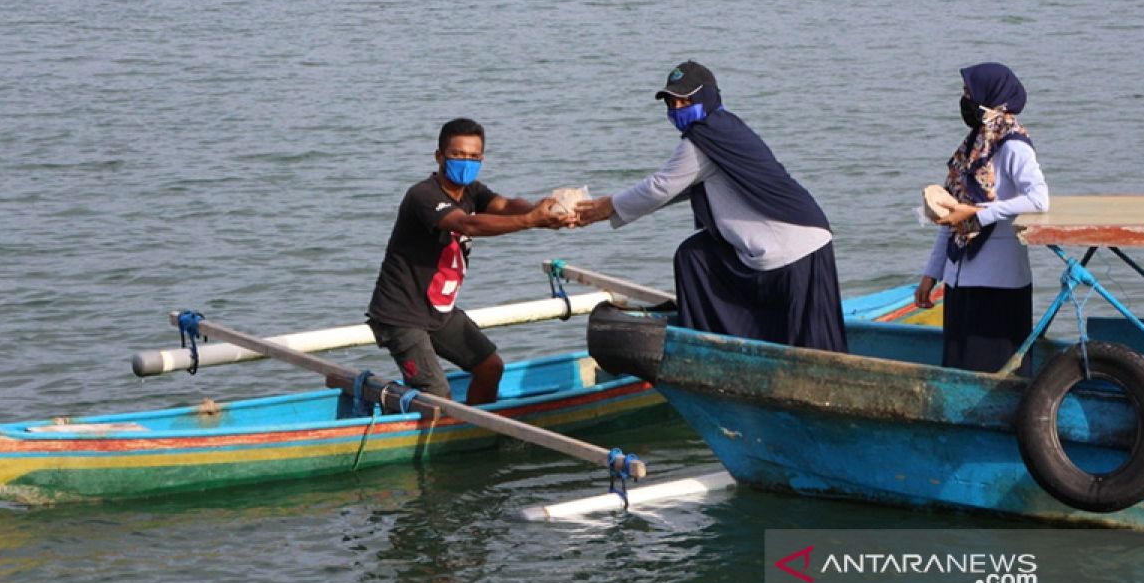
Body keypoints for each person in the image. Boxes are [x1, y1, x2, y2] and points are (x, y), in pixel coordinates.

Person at [576, 61, 847, 352]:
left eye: (685, 99)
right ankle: (717, 339)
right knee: (695, 256)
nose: (677, 107)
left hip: (794, 247)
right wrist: (613, 208)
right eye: (671, 101)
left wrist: (607, 207)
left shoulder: (703, 141)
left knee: (811, 352)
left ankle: (711, 347)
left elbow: (660, 187)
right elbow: (680, 187)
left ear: (706, 97)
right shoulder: (725, 127)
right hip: (810, 238)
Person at [365, 118, 574, 404]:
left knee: (490, 367)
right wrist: (529, 221)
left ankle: (480, 429)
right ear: (440, 157)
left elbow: (506, 206)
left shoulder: (472, 191)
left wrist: (541, 211)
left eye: (474, 156)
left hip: (439, 312)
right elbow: (467, 225)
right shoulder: (423, 195)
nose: (466, 161)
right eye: (458, 155)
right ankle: (444, 432)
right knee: (438, 399)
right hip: (400, 316)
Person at [914, 62, 1050, 373]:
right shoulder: (973, 146)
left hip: (998, 280)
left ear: (993, 96)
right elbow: (952, 212)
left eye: (969, 93)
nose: (965, 101)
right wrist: (931, 273)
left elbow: (1039, 199)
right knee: (959, 370)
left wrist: (979, 214)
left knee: (996, 372)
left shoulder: (1014, 145)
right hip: (960, 278)